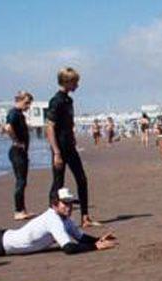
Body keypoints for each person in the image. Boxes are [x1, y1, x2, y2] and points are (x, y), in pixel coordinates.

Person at [47, 67, 99, 227]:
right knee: (58, 183)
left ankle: (85, 217)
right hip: (60, 148)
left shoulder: (69, 100)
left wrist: (73, 138)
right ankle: (52, 220)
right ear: (67, 82)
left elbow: (68, 124)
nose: (77, 85)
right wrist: (56, 153)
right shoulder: (56, 101)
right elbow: (50, 127)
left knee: (81, 179)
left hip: (70, 146)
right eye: (75, 82)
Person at [4, 91, 34, 220]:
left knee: (22, 181)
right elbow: (8, 127)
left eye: (29, 103)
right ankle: (18, 211)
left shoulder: (20, 114)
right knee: (20, 181)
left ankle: (22, 209)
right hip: (17, 151)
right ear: (19, 100)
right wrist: (16, 141)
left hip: (21, 152)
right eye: (26, 103)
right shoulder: (14, 112)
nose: (28, 106)